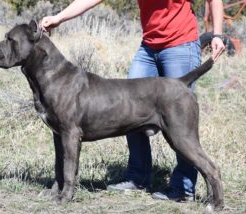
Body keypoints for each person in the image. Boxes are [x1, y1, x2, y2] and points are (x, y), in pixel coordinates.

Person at [41, 0, 225, 202]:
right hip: (149, 46)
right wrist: (59, 17)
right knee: (126, 108)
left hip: (181, 44)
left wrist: (217, 33)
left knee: (180, 131)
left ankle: (184, 188)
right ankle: (139, 178)